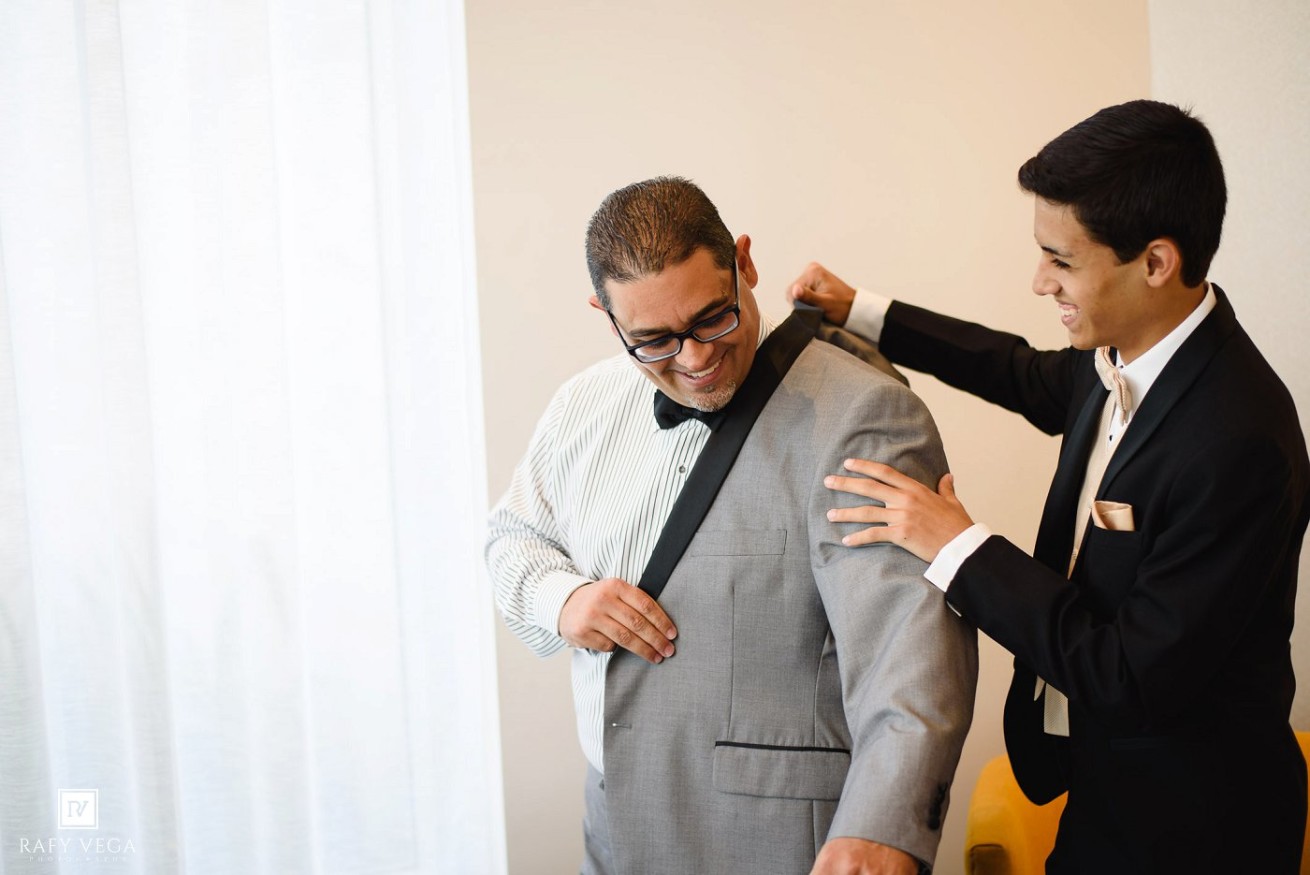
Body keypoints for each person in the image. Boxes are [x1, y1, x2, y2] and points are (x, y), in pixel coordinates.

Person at [789, 100, 1309, 873]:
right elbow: (1018, 371)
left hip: (1198, 823)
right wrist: (862, 311)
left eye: (1061, 260)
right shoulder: (1122, 352)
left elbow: (1128, 674)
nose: (1040, 281)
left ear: (1156, 263)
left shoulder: (1240, 441)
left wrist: (959, 545)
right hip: (1098, 789)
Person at [487, 176, 977, 875]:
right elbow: (510, 537)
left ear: (744, 263)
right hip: (611, 826)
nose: (694, 358)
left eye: (713, 318)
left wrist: (885, 827)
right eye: (654, 341)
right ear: (607, 316)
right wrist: (560, 599)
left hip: (779, 840)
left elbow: (911, 649)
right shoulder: (580, 407)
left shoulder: (864, 415)